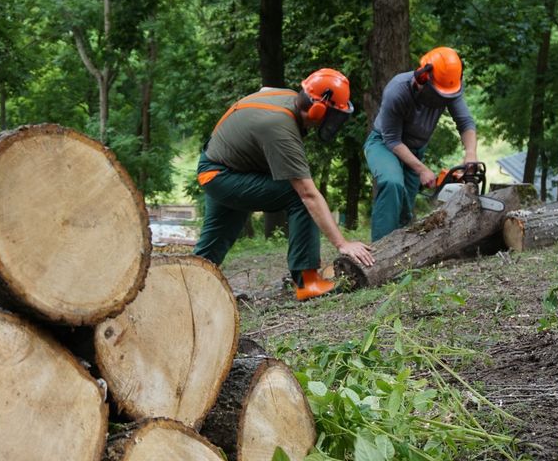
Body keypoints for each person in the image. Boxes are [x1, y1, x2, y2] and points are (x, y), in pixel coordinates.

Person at [193, 68, 375, 301]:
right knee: (298, 195)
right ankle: (307, 282)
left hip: (222, 166)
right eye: (333, 115)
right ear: (318, 109)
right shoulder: (280, 128)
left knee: (213, 245)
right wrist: (342, 243)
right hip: (221, 174)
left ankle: (189, 287)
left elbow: (264, 90)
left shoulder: (287, 97)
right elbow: (308, 195)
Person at [365, 47, 479, 241]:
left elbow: (465, 122)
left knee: (405, 208)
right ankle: (379, 251)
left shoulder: (449, 86)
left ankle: (400, 255)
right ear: (423, 78)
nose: (443, 100)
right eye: (439, 94)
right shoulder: (397, 90)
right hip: (384, 143)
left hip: (415, 149)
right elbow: (392, 139)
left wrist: (470, 152)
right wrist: (422, 169)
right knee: (392, 183)